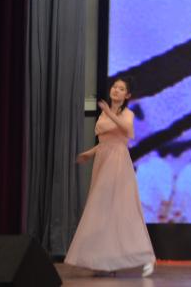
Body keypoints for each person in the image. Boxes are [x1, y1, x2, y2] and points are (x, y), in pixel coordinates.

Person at [65, 77, 155, 277]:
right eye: (115, 87)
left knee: (119, 209)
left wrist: (110, 113)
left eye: (121, 89)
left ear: (127, 95)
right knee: (104, 212)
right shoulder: (105, 114)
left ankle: (146, 256)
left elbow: (128, 132)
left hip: (117, 162)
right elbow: (105, 141)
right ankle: (105, 260)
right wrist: (90, 153)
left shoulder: (128, 114)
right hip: (103, 161)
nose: (116, 90)